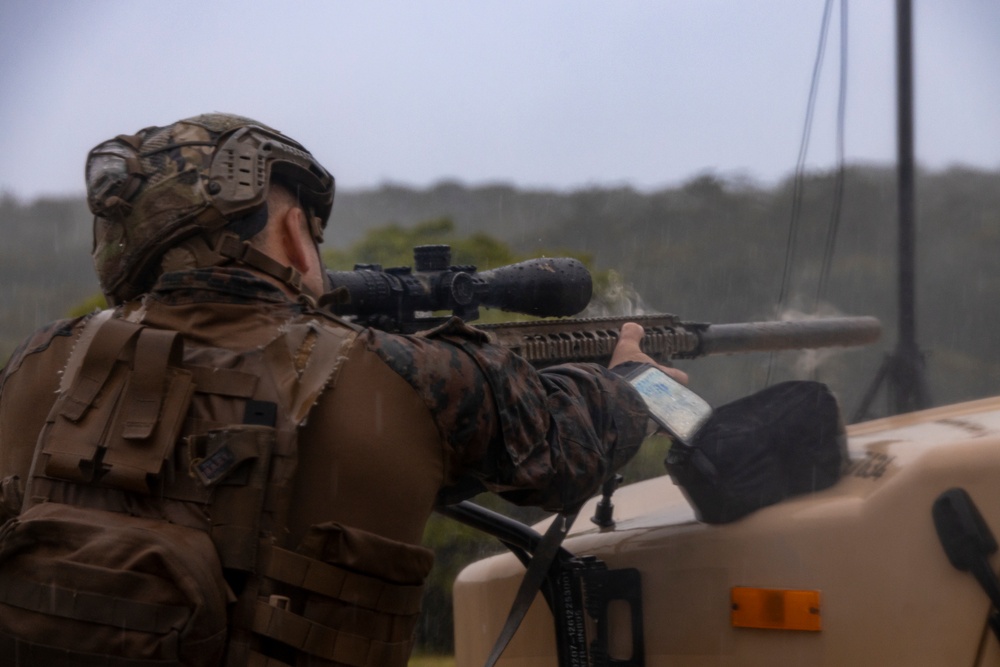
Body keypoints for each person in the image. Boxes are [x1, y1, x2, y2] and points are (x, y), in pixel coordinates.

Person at [0, 113, 683, 666]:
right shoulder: (410, 379)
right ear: (295, 235)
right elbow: (572, 449)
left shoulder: (32, 369)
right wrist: (633, 382)